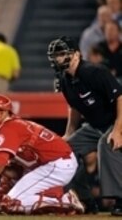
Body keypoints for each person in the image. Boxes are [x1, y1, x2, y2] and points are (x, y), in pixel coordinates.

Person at [0, 93, 84, 215]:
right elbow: (14, 173)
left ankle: (65, 201)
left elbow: (1, 160)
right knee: (7, 195)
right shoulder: (12, 125)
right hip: (51, 164)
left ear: (3, 112)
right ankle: (53, 199)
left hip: (56, 164)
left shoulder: (8, 128)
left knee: (12, 203)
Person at [47, 36, 122, 216]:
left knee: (106, 143)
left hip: (116, 121)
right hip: (96, 125)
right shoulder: (64, 80)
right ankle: (85, 199)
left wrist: (118, 130)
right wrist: (68, 134)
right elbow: (74, 107)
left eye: (62, 54)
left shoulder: (94, 72)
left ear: (76, 55)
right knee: (65, 151)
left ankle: (120, 199)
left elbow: (120, 97)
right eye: (56, 55)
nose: (58, 59)